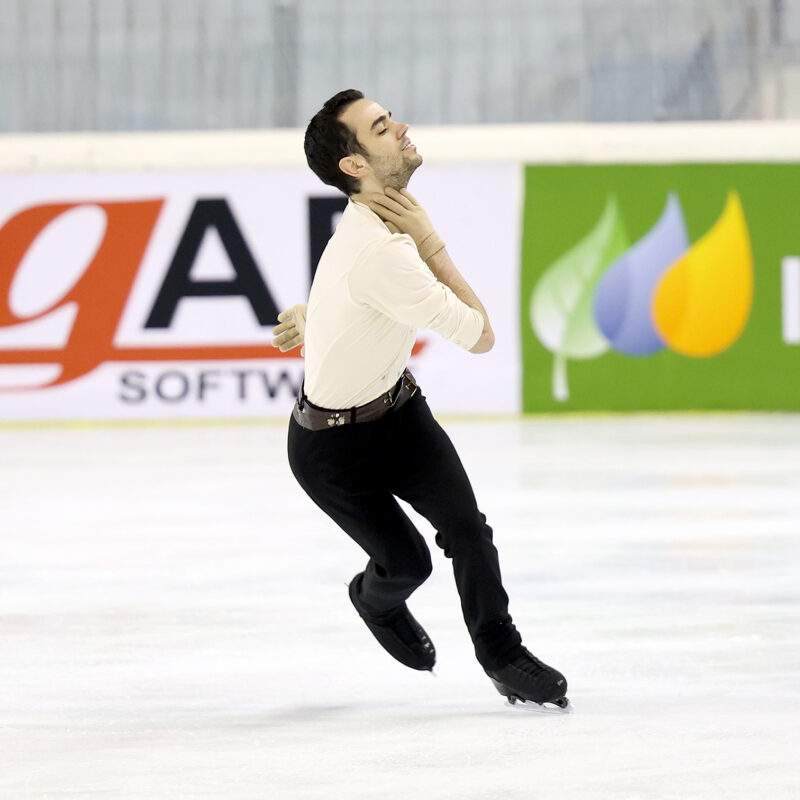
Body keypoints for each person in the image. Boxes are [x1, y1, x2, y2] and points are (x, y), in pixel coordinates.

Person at [272, 89, 569, 708]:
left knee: (468, 529)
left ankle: (502, 653)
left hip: (398, 412)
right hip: (330, 451)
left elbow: (352, 303)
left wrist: (314, 317)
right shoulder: (385, 251)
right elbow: (481, 335)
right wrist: (433, 244)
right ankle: (369, 599)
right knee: (407, 565)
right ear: (354, 165)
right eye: (382, 128)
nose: (401, 127)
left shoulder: (372, 230)